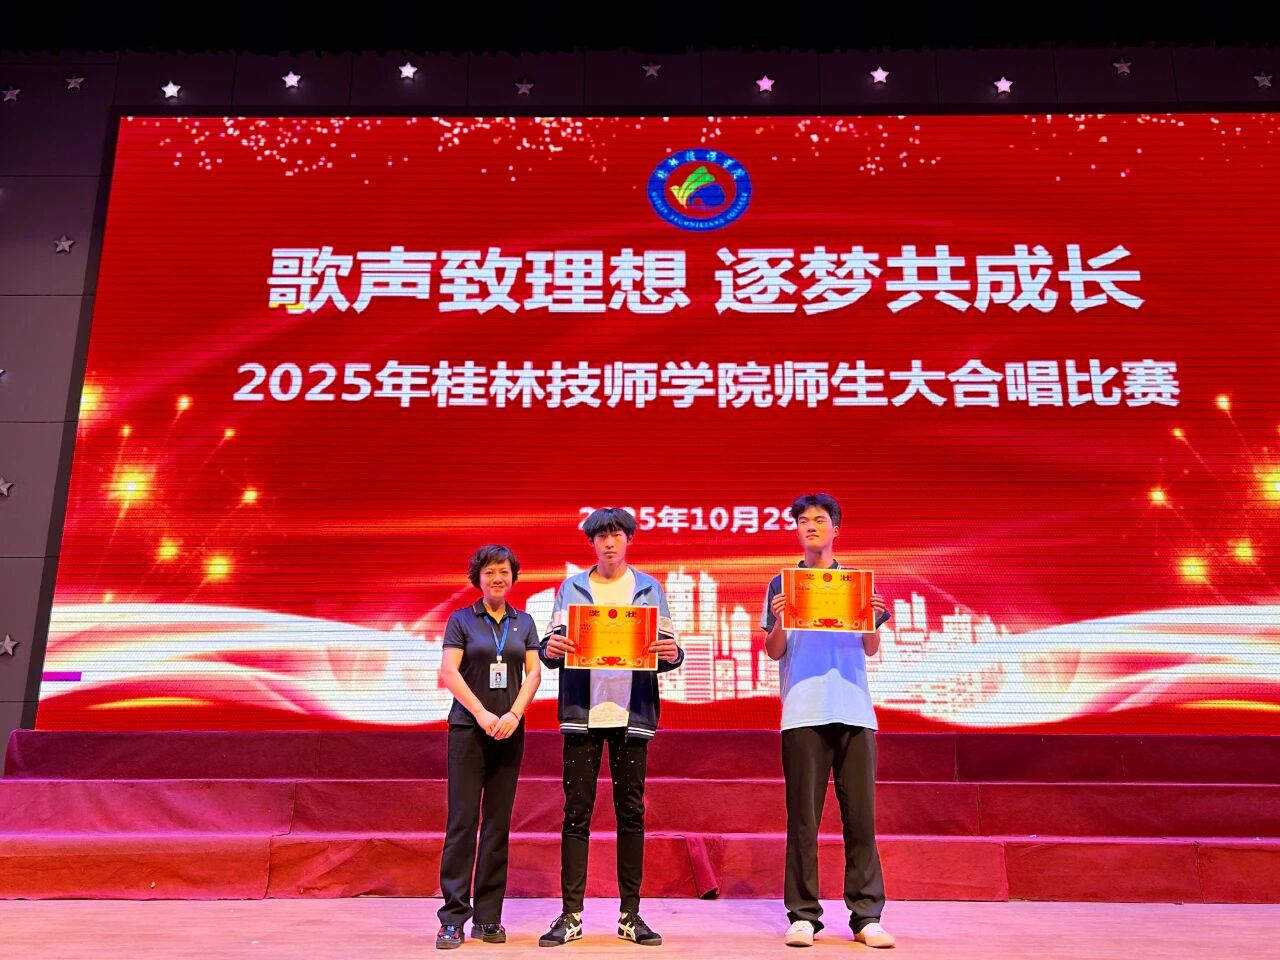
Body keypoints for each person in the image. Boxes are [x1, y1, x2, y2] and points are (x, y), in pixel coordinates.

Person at [537, 508, 684, 948]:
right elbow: (550, 647)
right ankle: (571, 915)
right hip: (582, 712)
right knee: (576, 813)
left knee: (631, 814)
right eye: (601, 536)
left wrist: (672, 653)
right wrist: (551, 648)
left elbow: (670, 651)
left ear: (628, 539)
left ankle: (630, 915)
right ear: (591, 543)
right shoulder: (571, 587)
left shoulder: (649, 588)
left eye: (616, 535)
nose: (609, 543)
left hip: (631, 713)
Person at [762, 494, 896, 949]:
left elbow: (870, 649)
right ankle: (803, 916)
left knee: (861, 819)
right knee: (803, 820)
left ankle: (866, 916)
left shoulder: (856, 583)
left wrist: (871, 618)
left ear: (836, 528)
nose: (811, 527)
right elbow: (774, 651)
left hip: (854, 710)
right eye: (803, 521)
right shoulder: (783, 582)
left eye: (820, 520)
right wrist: (781, 619)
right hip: (803, 711)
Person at [435, 544, 542, 950]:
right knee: (462, 823)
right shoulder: (461, 620)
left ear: (513, 577)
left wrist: (514, 714)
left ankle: (488, 917)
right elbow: (450, 671)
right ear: (477, 578)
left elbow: (533, 674)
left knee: (497, 825)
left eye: (504, 572)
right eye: (490, 572)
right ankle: (452, 918)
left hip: (510, 731)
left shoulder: (524, 622)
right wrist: (481, 713)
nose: (498, 578)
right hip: (469, 729)